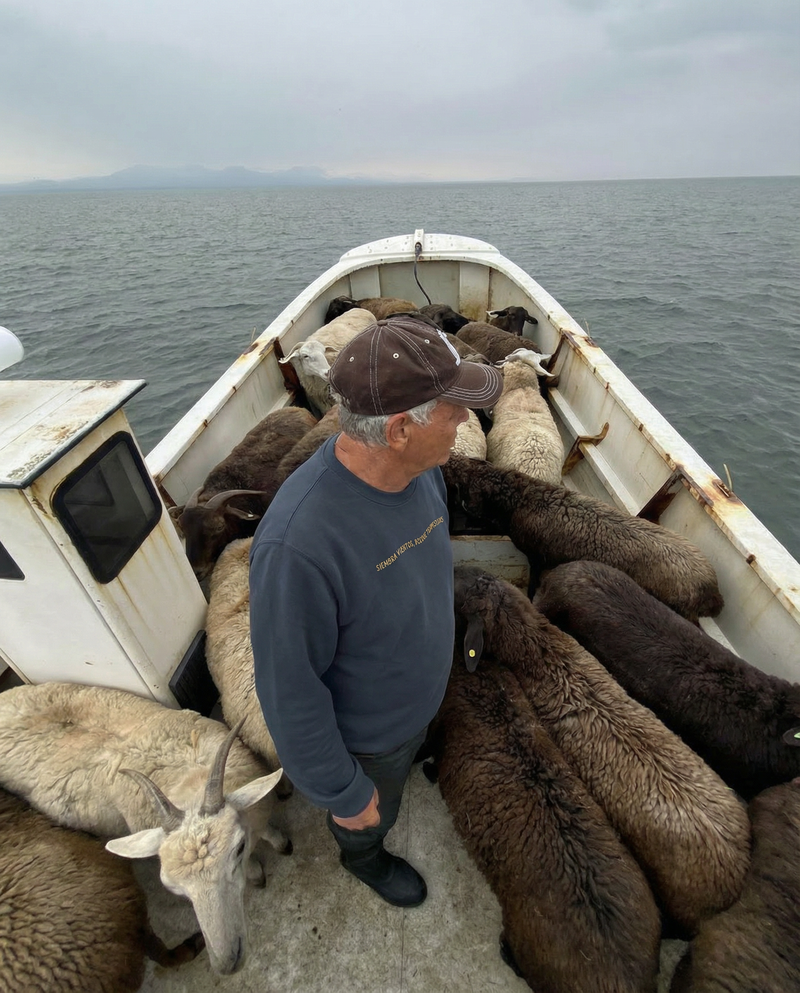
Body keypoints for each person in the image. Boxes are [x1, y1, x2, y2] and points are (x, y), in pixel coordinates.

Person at [249, 313, 503, 907]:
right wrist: (344, 792)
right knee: (371, 809)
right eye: (453, 410)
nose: (467, 419)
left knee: (399, 764)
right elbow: (289, 691)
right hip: (369, 737)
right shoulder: (298, 547)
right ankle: (365, 856)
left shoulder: (421, 473)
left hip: (421, 700)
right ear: (397, 430)